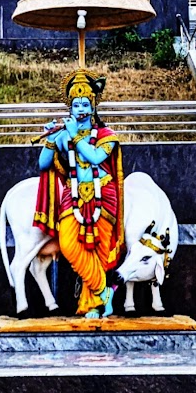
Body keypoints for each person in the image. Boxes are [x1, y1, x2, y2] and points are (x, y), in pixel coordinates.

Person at [33, 69, 125, 317]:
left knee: (96, 252)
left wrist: (74, 135)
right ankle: (105, 290)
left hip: (103, 195)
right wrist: (51, 139)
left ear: (94, 106)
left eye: (86, 104)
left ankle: (92, 305)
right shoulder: (64, 135)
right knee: (70, 245)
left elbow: (94, 157)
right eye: (76, 104)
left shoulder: (107, 136)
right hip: (72, 195)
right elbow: (43, 164)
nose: (81, 108)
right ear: (70, 108)